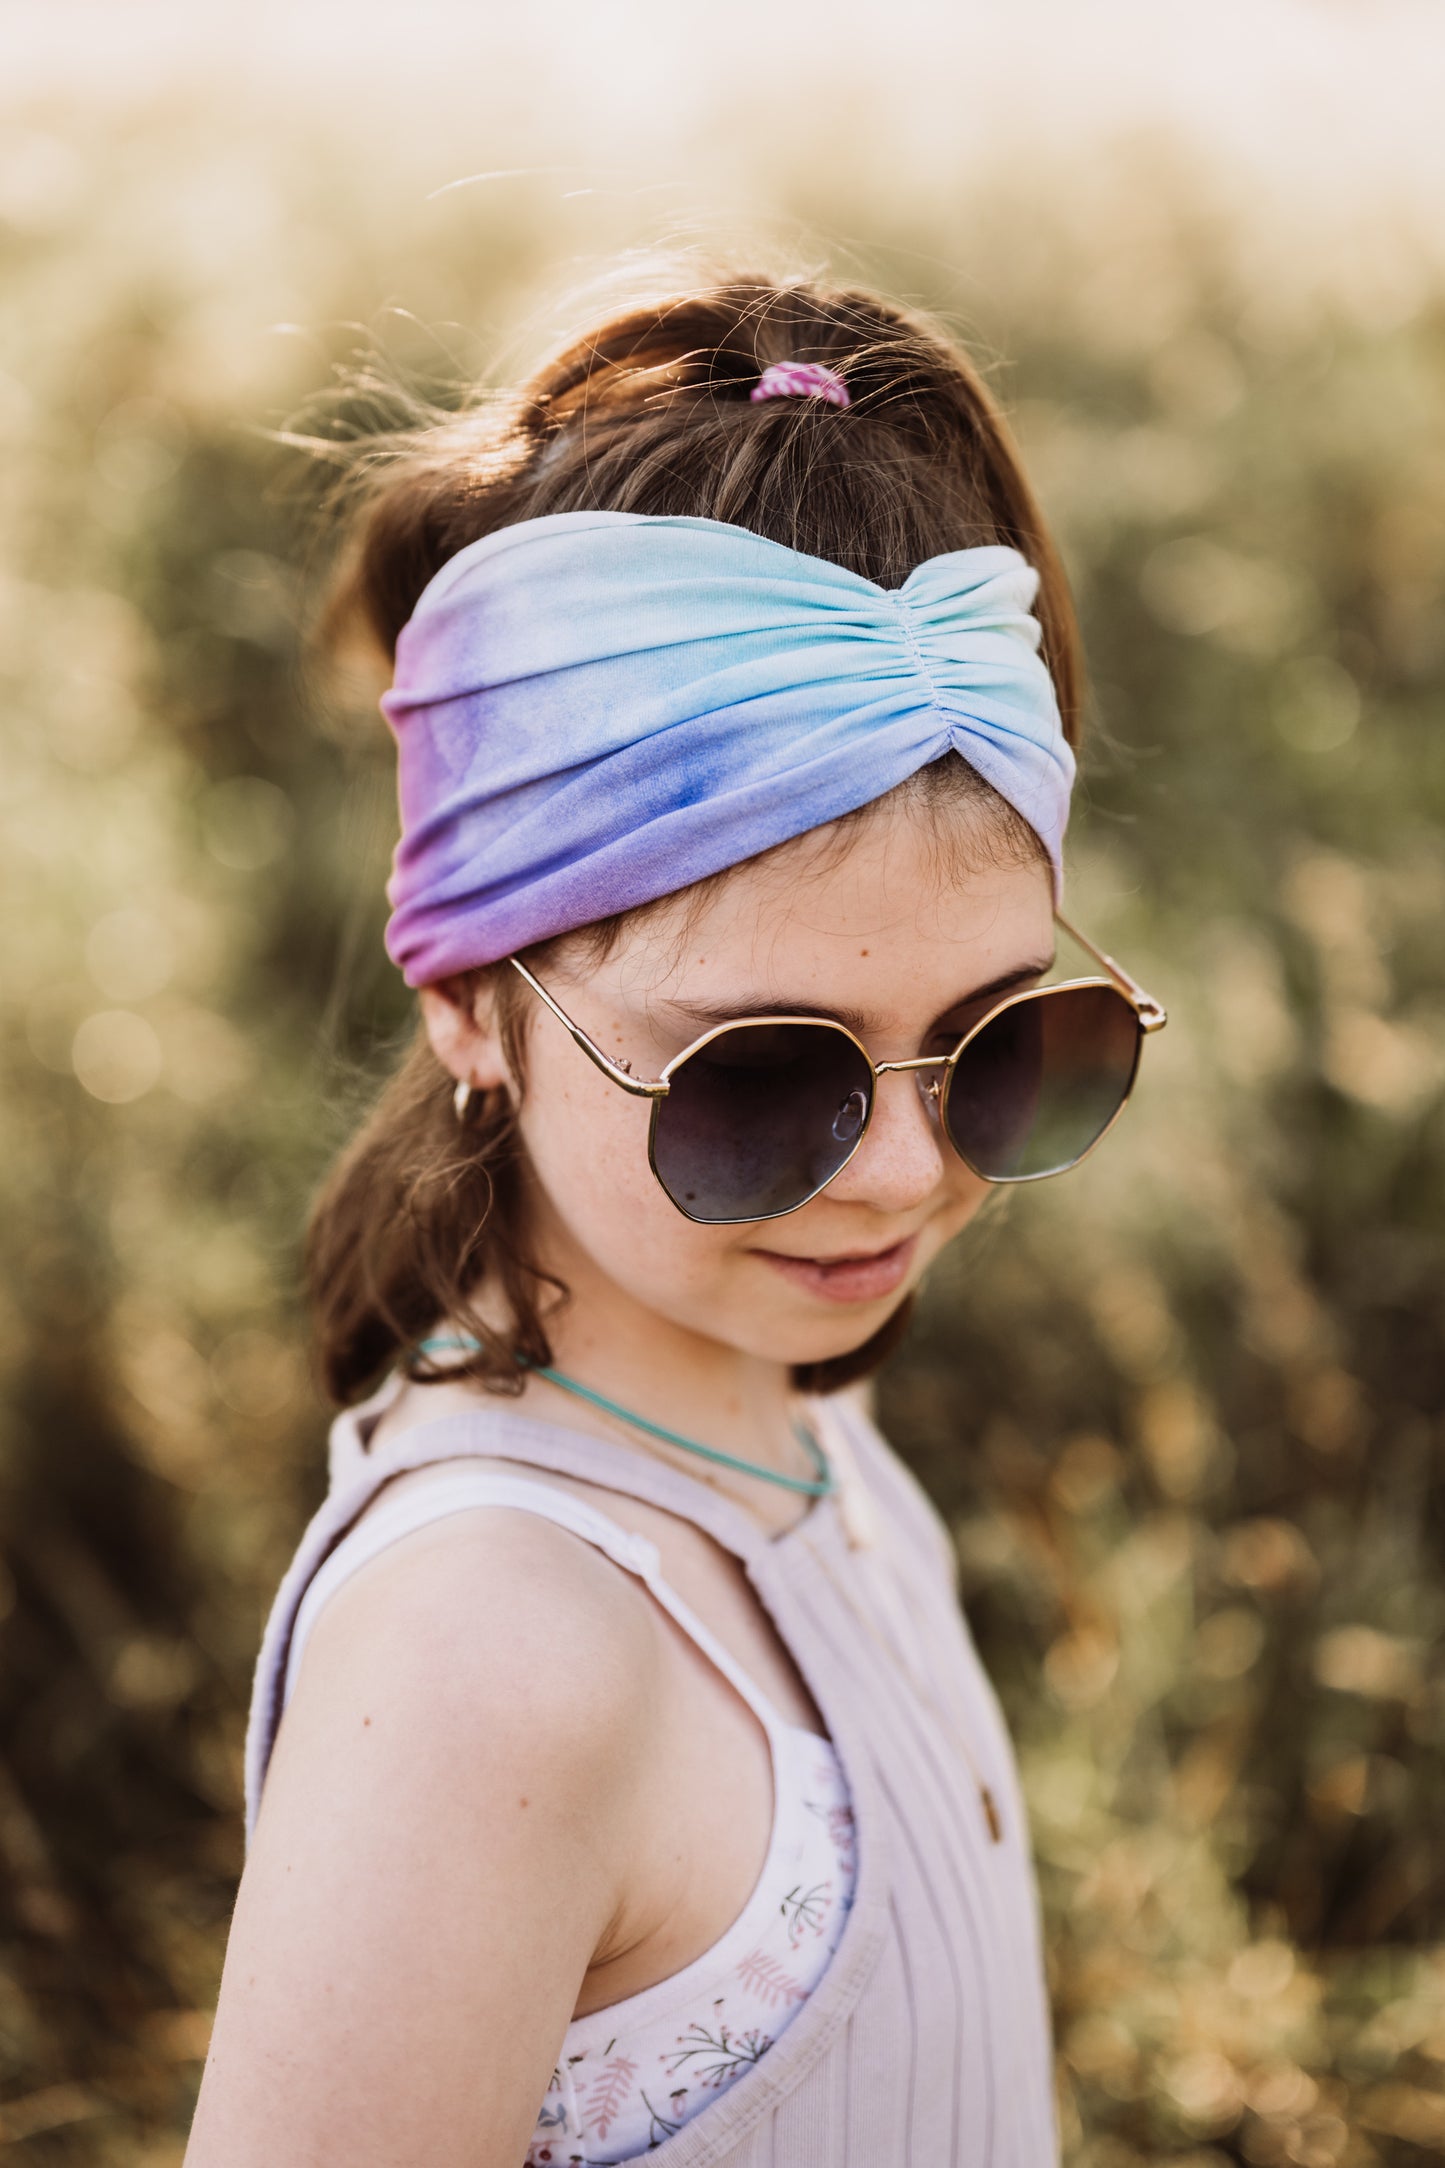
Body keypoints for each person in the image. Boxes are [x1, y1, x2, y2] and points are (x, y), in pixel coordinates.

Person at [184, 272, 1166, 2168]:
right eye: (753, 1080)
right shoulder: (496, 1654)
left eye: (996, 1043)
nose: (900, 1176)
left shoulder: (785, 1402)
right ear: (468, 1003)